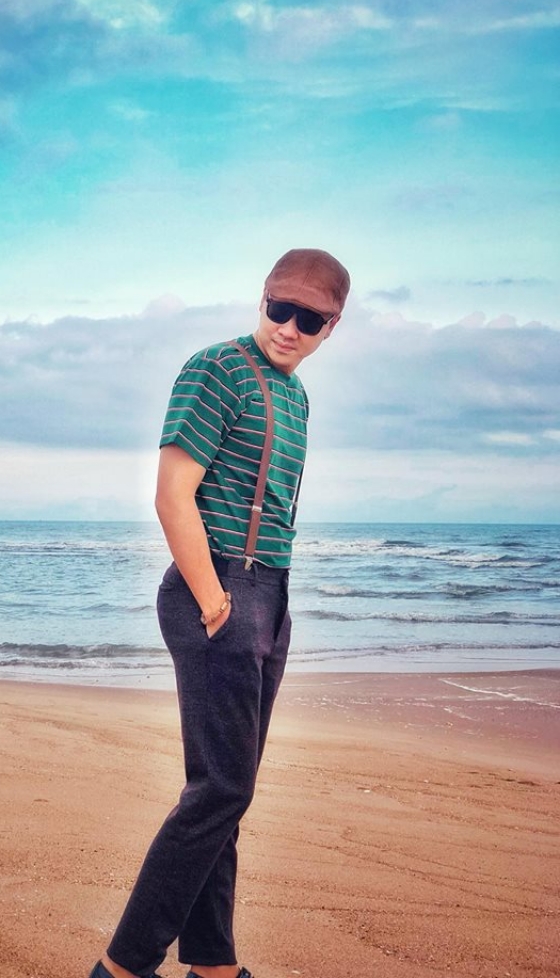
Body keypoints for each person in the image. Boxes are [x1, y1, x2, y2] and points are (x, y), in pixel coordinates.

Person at [89, 248, 350, 978]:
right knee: (222, 790)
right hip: (221, 590)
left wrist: (265, 607)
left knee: (224, 794)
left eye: (309, 320)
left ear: (332, 327)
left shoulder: (295, 396)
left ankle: (213, 965)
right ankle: (122, 968)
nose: (289, 328)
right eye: (280, 309)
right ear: (262, 300)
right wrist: (215, 603)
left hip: (271, 594)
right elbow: (173, 494)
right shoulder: (219, 369)